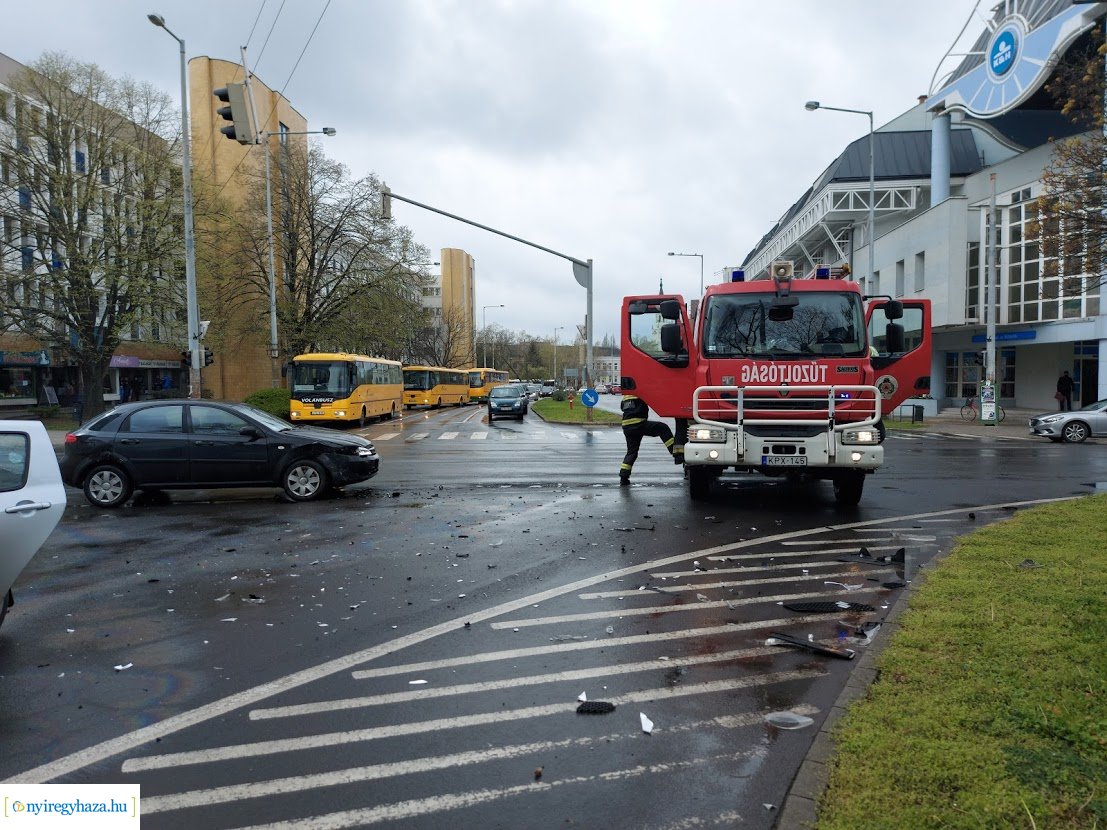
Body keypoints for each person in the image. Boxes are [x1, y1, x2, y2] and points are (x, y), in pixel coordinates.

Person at [619, 393, 682, 485]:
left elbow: (622, 408)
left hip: (627, 426)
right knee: (663, 428)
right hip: (639, 424)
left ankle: (623, 477)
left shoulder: (626, 397)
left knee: (632, 452)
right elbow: (654, 401)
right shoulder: (641, 393)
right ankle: (676, 454)